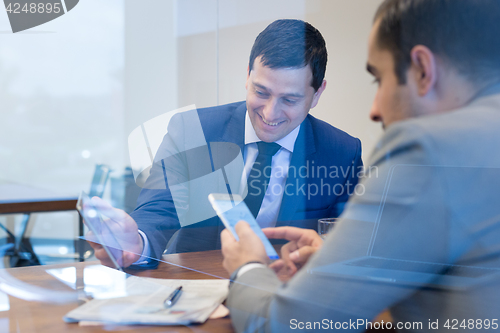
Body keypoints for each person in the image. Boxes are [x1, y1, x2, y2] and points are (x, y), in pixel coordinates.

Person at [221, 0, 500, 331]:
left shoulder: (425, 149)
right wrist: (344, 259)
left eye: (378, 79)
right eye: (261, 91)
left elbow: (288, 324)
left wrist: (248, 269)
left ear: (423, 70)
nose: (374, 109)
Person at [89, 19, 363, 268]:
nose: (269, 113)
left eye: (289, 100)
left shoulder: (342, 152)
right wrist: (137, 242)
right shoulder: (191, 130)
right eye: (261, 92)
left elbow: (347, 242)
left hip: (284, 295)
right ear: (247, 75)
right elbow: (160, 207)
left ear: (317, 94)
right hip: (196, 285)